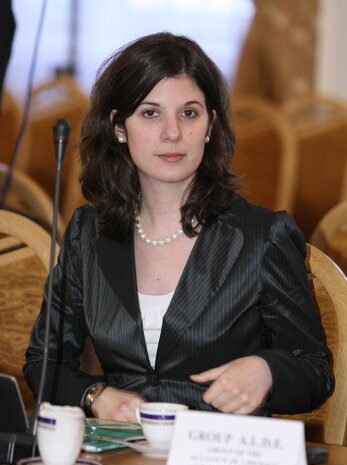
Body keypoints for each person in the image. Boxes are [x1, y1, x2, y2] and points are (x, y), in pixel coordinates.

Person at [24, 32, 332, 423]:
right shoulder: (89, 231)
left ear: (209, 124)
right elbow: (44, 361)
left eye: (189, 113)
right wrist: (96, 395)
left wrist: (267, 369)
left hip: (219, 463)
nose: (172, 133)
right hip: (119, 460)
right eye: (150, 113)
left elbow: (315, 372)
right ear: (119, 127)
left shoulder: (261, 236)